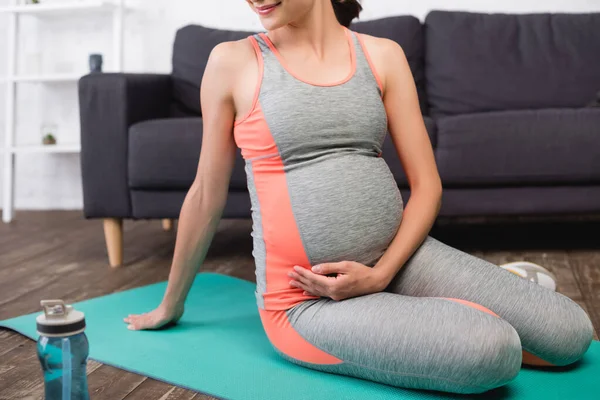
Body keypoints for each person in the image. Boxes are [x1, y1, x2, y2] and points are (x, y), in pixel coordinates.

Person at [124, 0, 594, 394]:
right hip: (307, 302)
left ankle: (460, 302)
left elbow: (427, 185)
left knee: (572, 335)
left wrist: (382, 273)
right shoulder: (233, 61)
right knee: (492, 351)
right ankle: (468, 310)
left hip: (403, 261)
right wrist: (171, 305)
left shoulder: (381, 54)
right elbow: (206, 192)